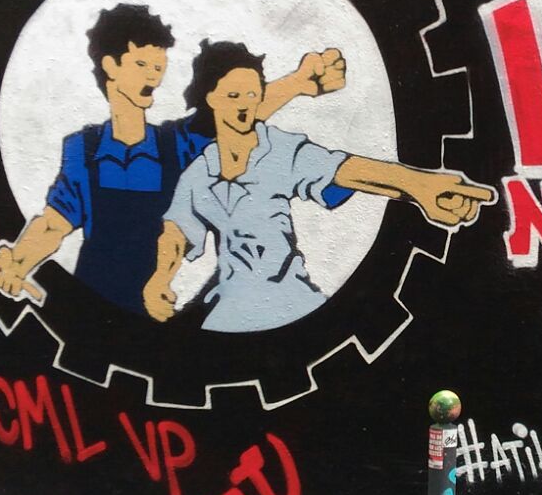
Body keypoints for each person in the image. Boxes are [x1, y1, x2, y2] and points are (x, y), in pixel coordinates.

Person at [0, 3, 348, 314]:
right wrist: (18, 262)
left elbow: (234, 116)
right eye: (142, 64)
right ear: (111, 66)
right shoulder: (83, 150)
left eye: (158, 68)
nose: (153, 77)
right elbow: (53, 225)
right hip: (92, 309)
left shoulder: (176, 145)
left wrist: (298, 83)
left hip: (155, 313)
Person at [143, 41, 492, 332]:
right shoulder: (200, 173)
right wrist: (160, 279)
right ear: (211, 99)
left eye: (252, 93)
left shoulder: (280, 150)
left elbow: (345, 169)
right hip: (231, 308)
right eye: (233, 95)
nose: (245, 104)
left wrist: (419, 186)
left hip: (291, 300)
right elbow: (177, 232)